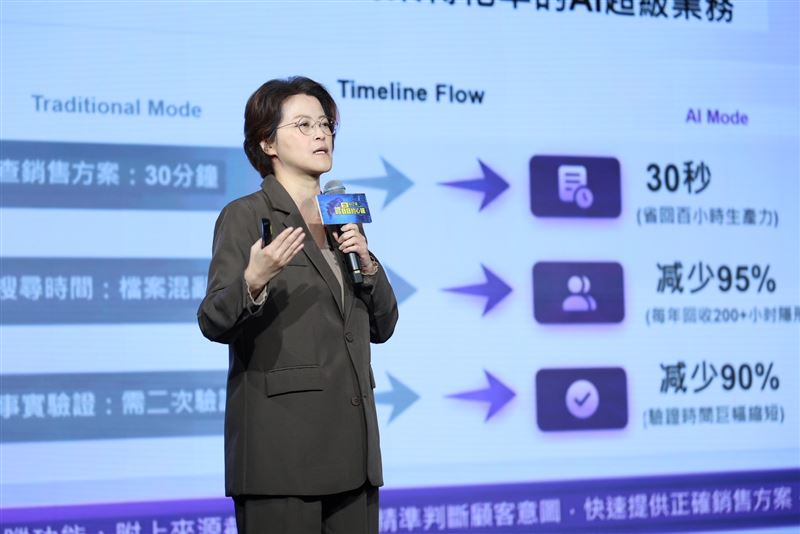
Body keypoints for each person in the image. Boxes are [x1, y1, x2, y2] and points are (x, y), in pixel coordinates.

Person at [197, 76, 399, 534]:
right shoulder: (246, 216)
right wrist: (253, 280)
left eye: (325, 124)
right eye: (304, 125)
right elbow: (212, 320)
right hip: (282, 453)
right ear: (267, 142)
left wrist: (367, 264)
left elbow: (383, 326)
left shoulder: (341, 215)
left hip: (354, 451)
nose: (320, 134)